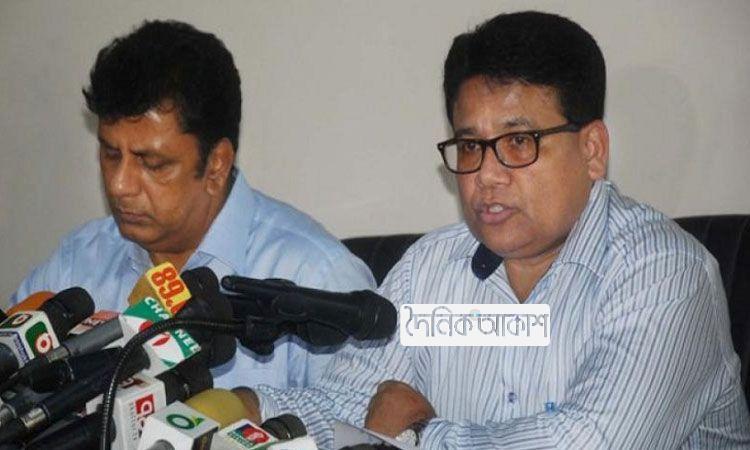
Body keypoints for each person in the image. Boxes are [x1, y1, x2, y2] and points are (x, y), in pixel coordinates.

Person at [243, 11, 750, 449]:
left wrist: (420, 435)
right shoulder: (430, 270)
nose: (486, 174)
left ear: (592, 150)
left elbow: (591, 441)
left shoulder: (665, 275)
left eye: (519, 141)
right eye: (470, 146)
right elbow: (351, 403)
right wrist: (244, 408)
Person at [11, 20, 375, 389]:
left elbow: (359, 417)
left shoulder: (316, 277)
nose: (119, 185)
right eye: (110, 154)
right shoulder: (78, 261)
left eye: (152, 163)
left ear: (216, 165)